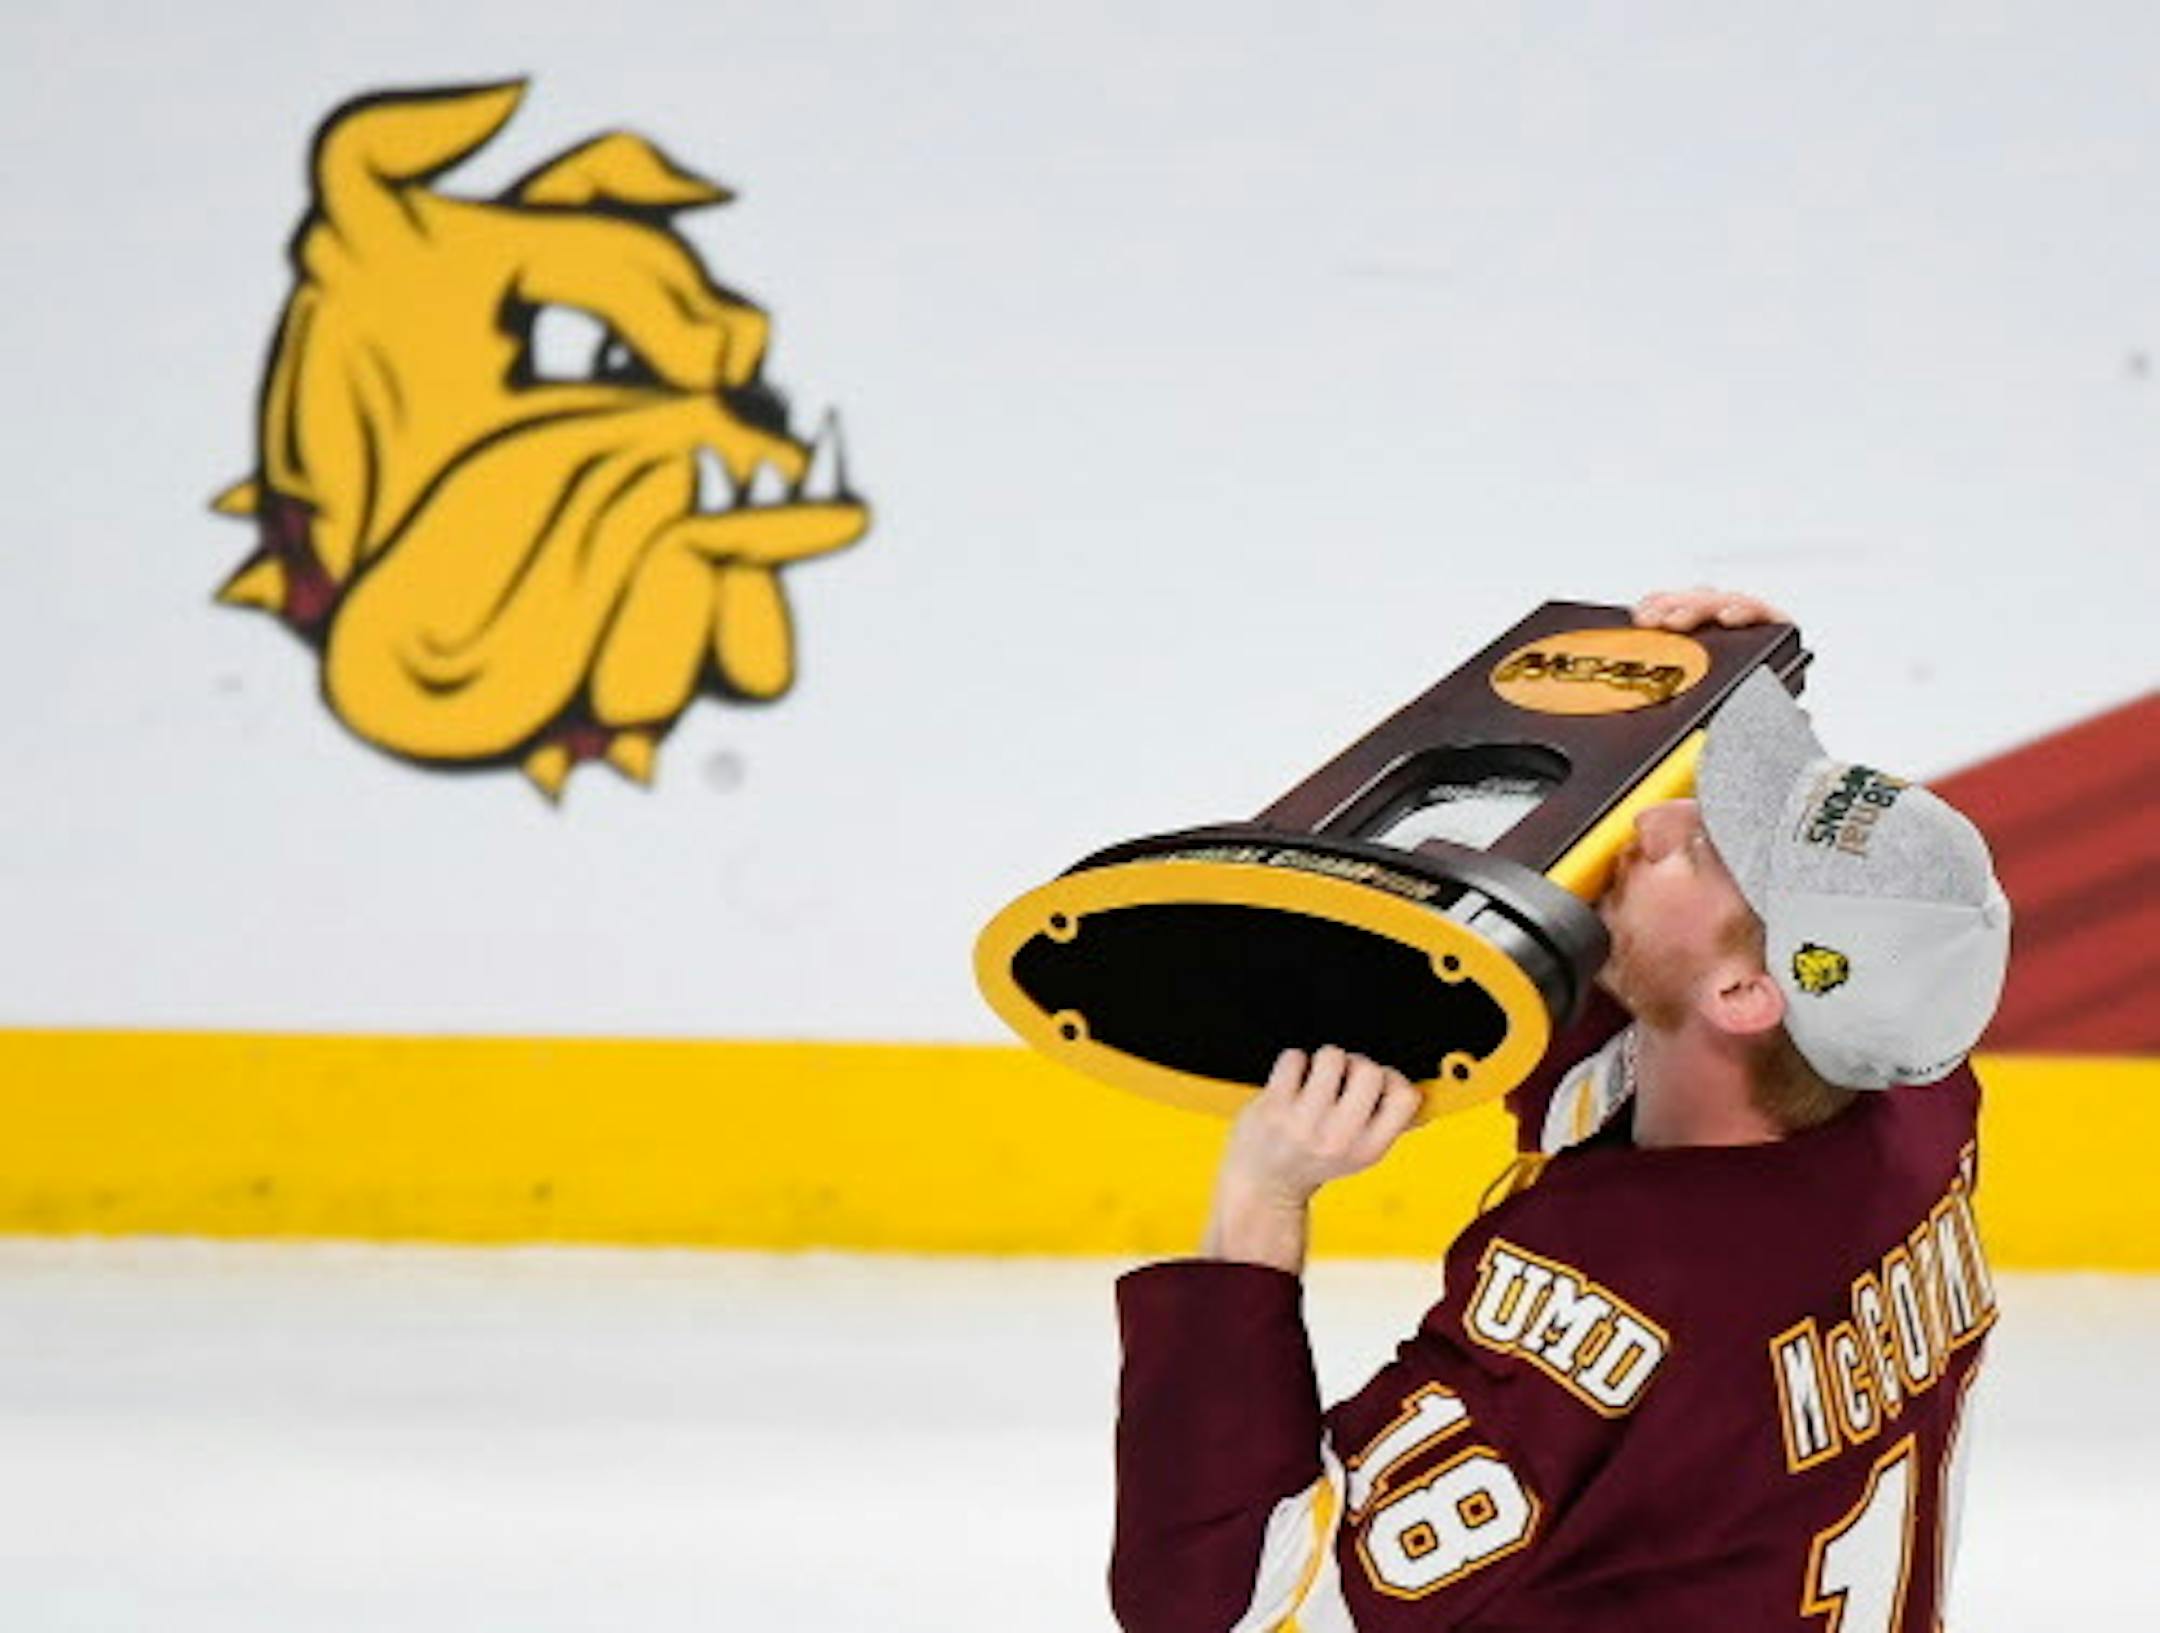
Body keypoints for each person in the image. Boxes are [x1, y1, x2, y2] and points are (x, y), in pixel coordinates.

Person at [1110, 589, 2013, 1632]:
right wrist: (1717, 696)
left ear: (1744, 996)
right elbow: (1758, 969)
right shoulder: (1921, 1103)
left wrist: (1259, 1210)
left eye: (1709, 842)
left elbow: (1228, 1602)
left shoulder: (1620, 1282)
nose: (1655, 817)